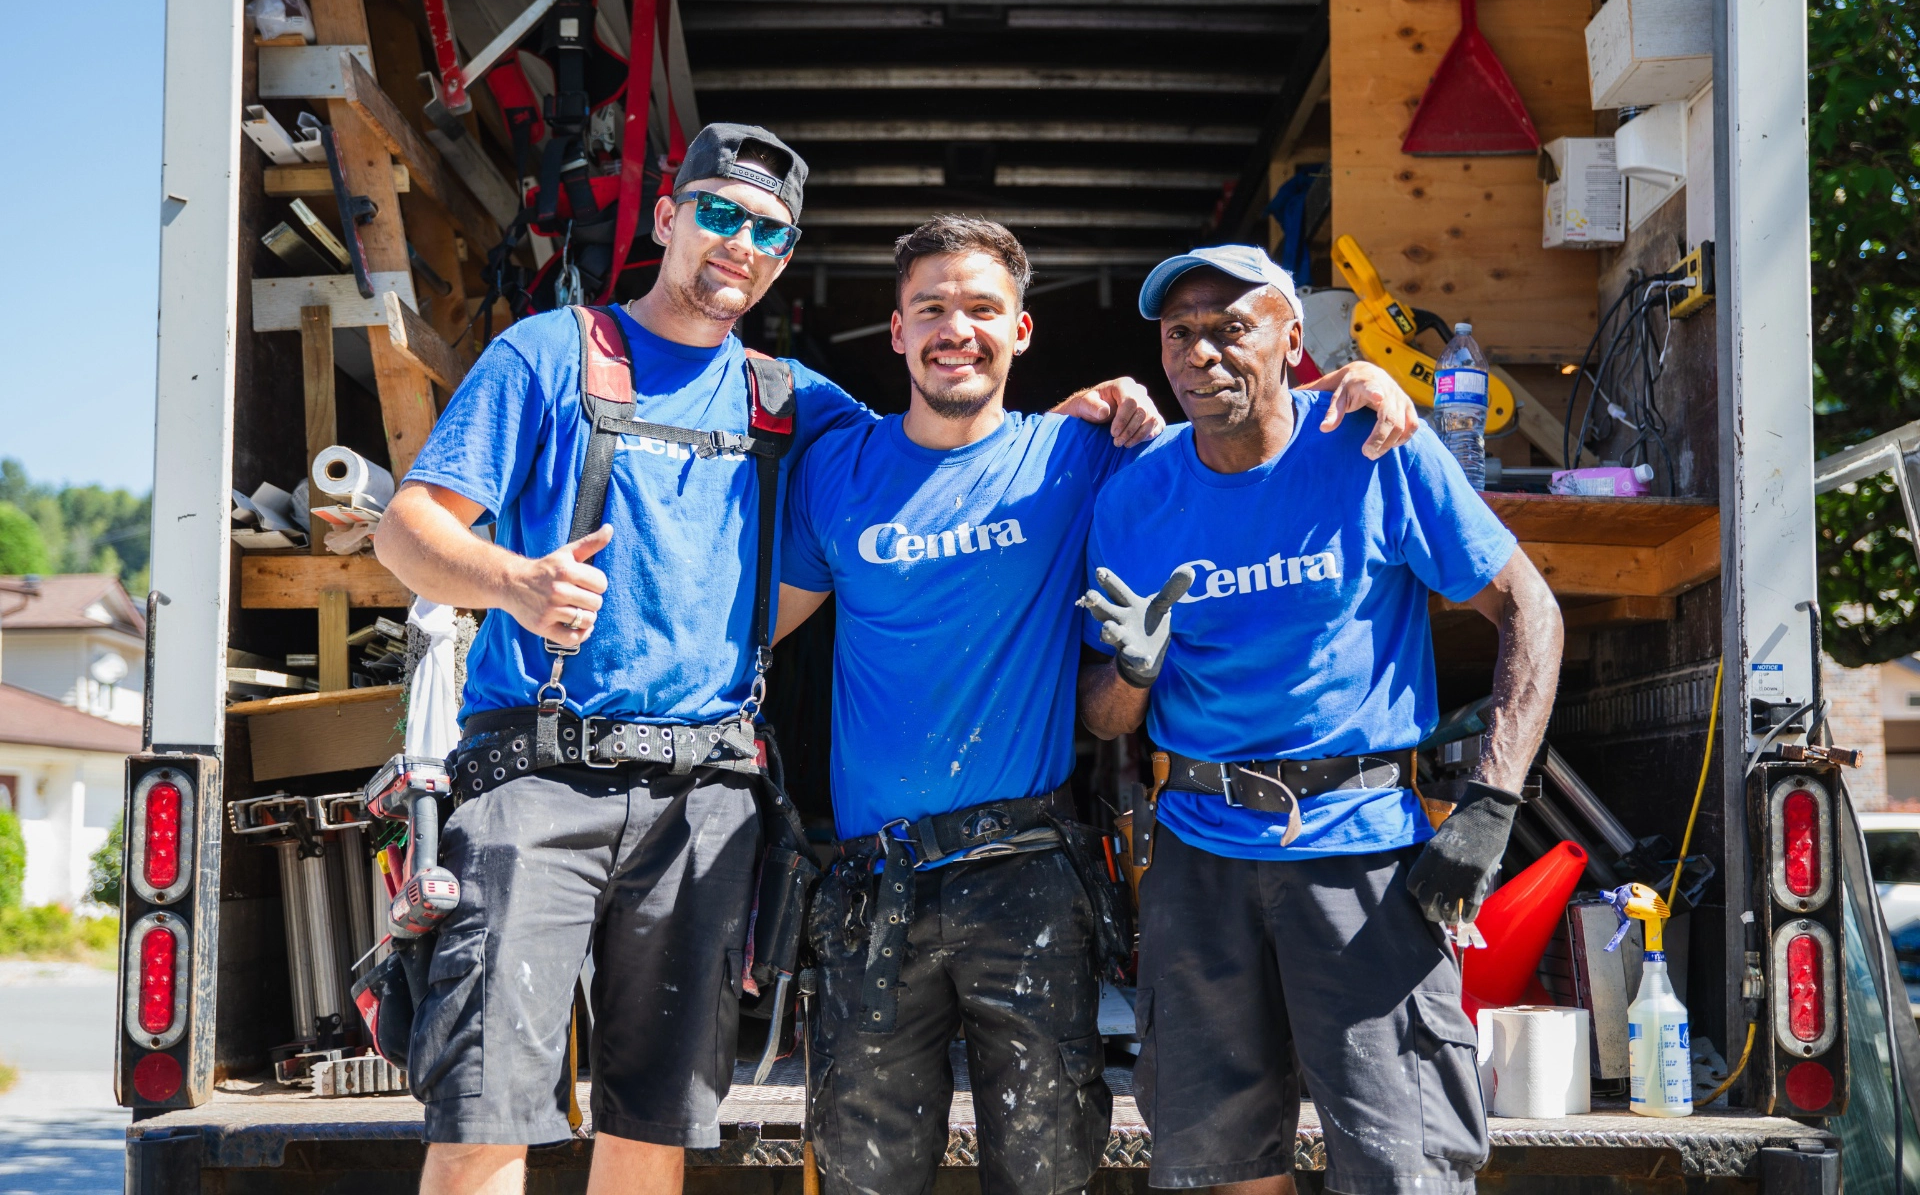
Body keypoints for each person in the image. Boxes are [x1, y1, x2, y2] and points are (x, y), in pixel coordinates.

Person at [374, 127, 1156, 1195]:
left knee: (653, 1123)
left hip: (705, 796)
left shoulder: (801, 408)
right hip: (537, 777)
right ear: (666, 219)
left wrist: (1086, 412)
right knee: (485, 1111)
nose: (739, 242)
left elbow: (930, 464)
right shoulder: (551, 354)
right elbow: (404, 530)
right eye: (719, 213)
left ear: (785, 259)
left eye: (769, 231)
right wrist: (514, 582)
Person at [773, 219, 1423, 1195]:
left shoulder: (1084, 456)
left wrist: (1350, 382)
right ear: (896, 330)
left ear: (1022, 331)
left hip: (1024, 876)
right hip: (875, 886)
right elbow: (755, 632)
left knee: (1048, 1176)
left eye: (983, 309)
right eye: (934, 309)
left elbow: (1240, 429)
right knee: (866, 1179)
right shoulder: (837, 470)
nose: (959, 329)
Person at [1077, 245, 1564, 1194]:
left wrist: (1491, 800)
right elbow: (1103, 719)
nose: (1202, 351)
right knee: (1216, 1162)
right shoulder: (1135, 494)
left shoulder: (1374, 447)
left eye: (1232, 326)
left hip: (1362, 857)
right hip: (1199, 858)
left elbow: (1530, 609)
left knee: (1402, 1166)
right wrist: (1136, 670)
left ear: (1294, 339)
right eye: (1181, 333)